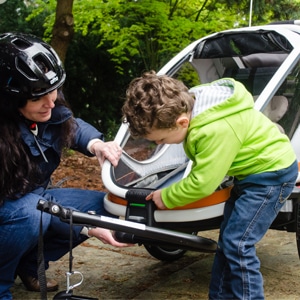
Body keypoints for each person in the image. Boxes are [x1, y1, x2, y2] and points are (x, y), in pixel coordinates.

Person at [122, 71, 298, 299]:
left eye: (160, 140)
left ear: (182, 122)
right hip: (251, 175)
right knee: (228, 241)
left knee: (238, 244)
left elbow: (203, 182)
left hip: (271, 177)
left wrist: (167, 196)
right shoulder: (195, 104)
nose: (158, 144)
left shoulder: (213, 129)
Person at [0, 32, 130, 300]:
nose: (51, 102)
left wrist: (96, 145)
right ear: (9, 98)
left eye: (53, 90)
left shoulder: (46, 109)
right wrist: (84, 227)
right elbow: (34, 211)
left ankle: (29, 264)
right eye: (38, 97)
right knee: (33, 215)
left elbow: (71, 125)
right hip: (16, 211)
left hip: (35, 203)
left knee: (103, 206)